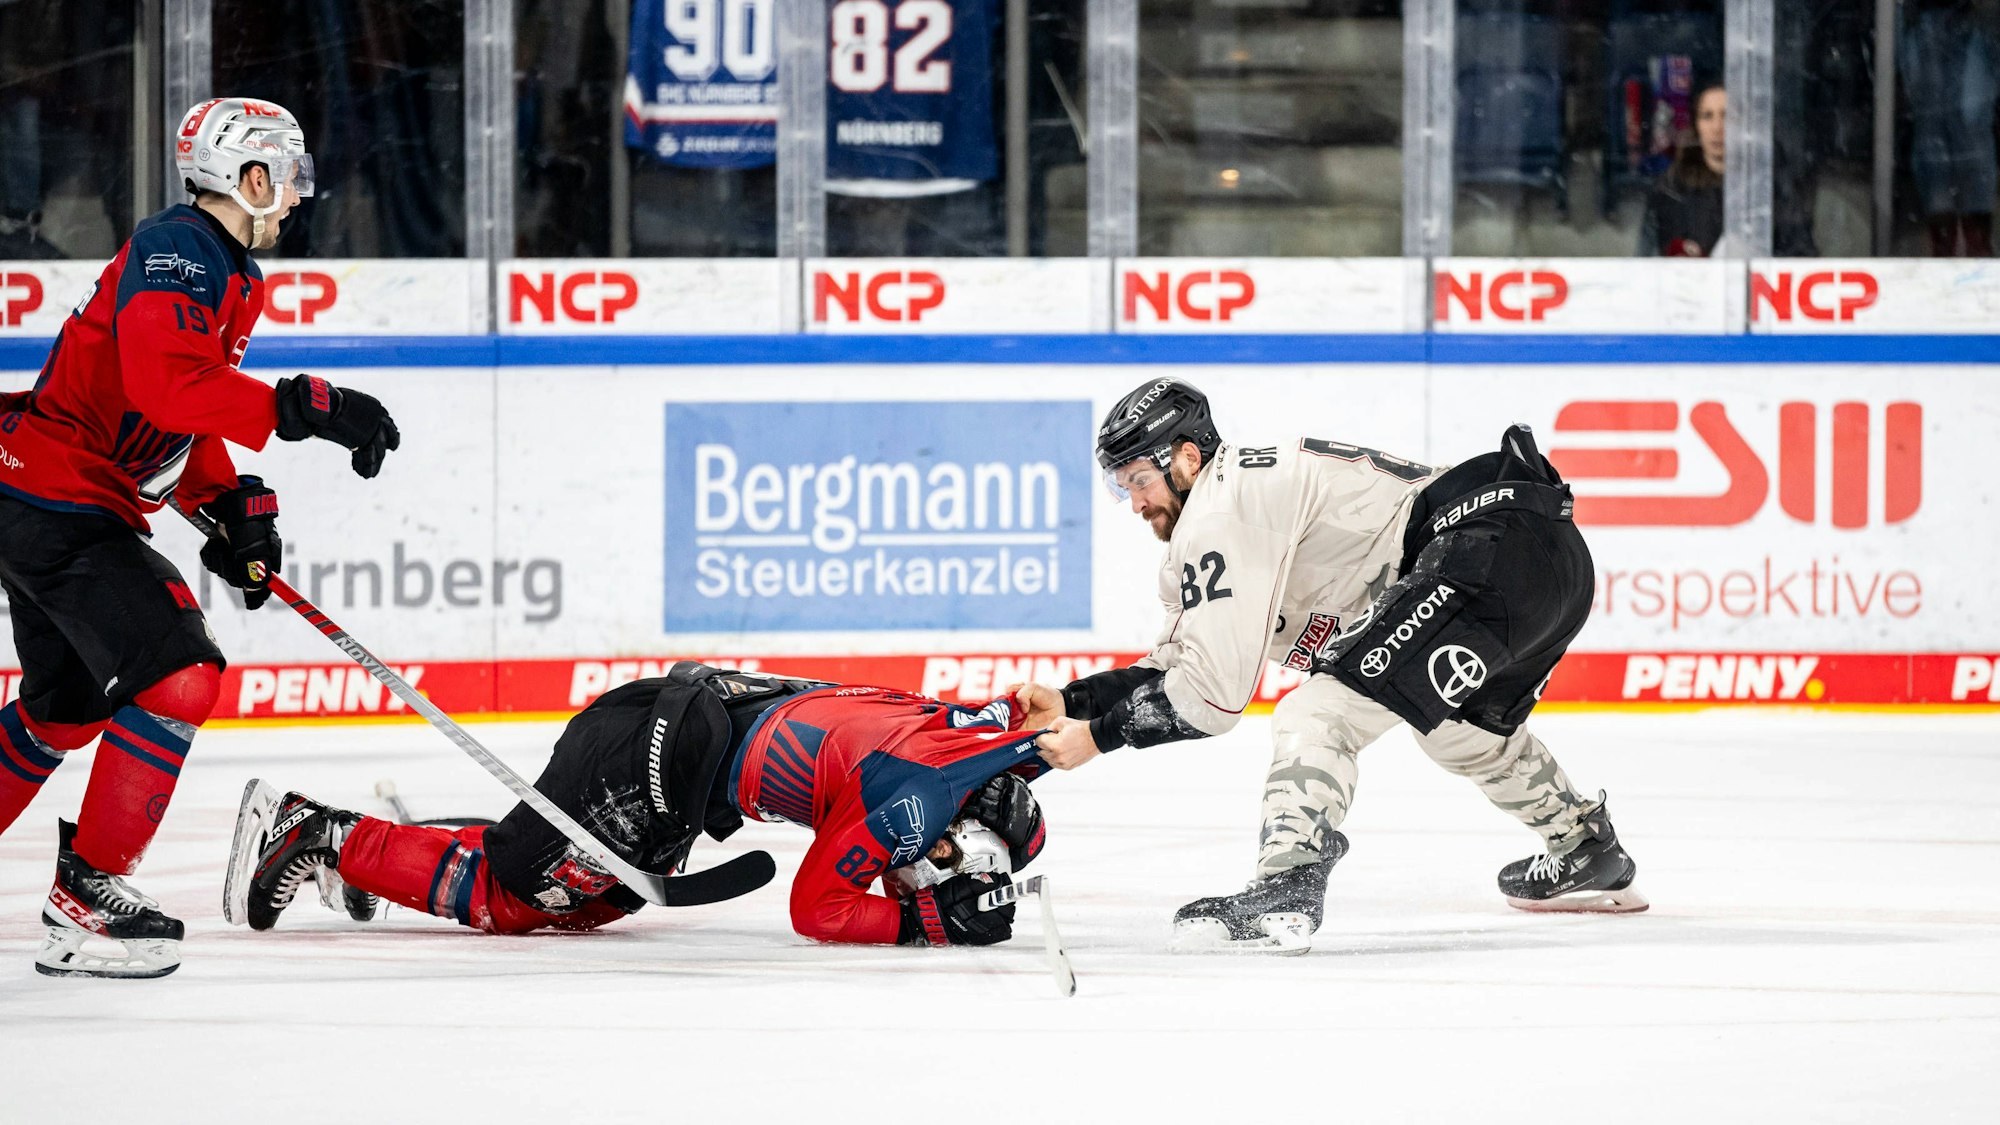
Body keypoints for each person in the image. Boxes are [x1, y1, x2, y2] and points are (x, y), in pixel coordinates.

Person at [0, 97, 402, 979]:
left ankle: (84, 893)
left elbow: (176, 410)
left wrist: (228, 502)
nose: (298, 195)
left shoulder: (223, 267)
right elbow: (165, 384)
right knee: (180, 672)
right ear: (251, 177)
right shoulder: (178, 248)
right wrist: (304, 407)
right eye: (289, 175)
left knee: (61, 711)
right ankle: (85, 899)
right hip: (61, 504)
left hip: (44, 499)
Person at [1029, 378, 1644, 953]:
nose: (1133, 503)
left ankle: (1287, 880)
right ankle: (1585, 847)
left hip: (1484, 551)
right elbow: (1179, 661)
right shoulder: (1232, 504)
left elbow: (1211, 700)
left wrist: (1099, 738)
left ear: (1187, 458)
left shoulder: (1219, 514)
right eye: (1120, 486)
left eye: (1138, 480)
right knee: (1462, 734)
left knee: (1317, 712)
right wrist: (1071, 702)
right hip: (1549, 559)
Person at [229, 663, 1052, 947]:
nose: (927, 868)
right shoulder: (909, 800)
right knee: (507, 899)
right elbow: (818, 908)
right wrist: (921, 922)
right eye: (947, 857)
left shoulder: (962, 739)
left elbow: (1049, 725)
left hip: (680, 743)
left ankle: (382, 858)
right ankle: (312, 832)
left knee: (591, 899)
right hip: (653, 761)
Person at [1638, 81, 1726, 257]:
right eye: (1707, 116)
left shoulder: (1768, 188)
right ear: (1695, 125)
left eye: (1727, 116)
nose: (1717, 128)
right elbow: (1647, 264)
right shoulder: (1670, 189)